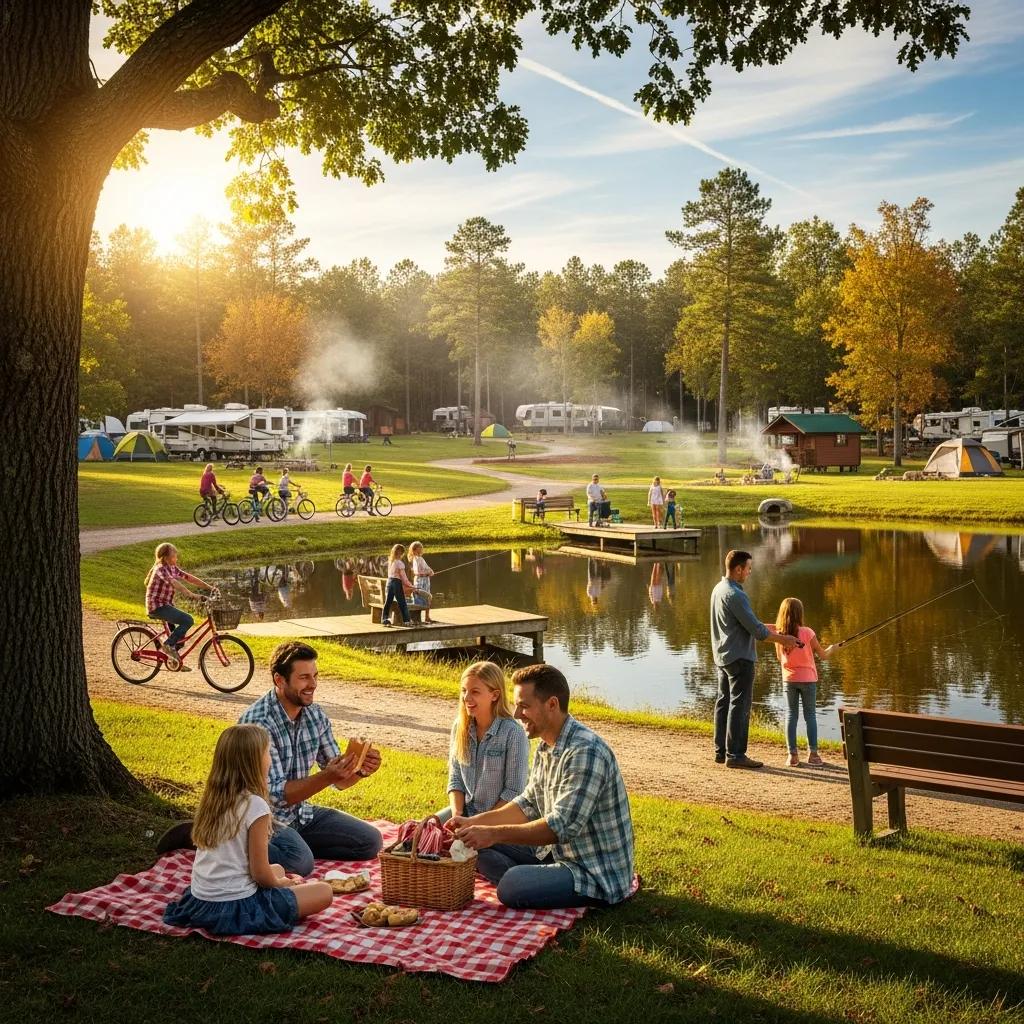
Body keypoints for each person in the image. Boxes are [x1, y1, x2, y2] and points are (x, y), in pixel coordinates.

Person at [449, 664, 634, 910]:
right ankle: (538, 878)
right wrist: (474, 824)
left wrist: (492, 833)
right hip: (555, 854)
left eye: (524, 706)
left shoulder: (585, 751)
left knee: (510, 886)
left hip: (592, 872)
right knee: (472, 845)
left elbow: (560, 828)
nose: (516, 714)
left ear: (552, 704)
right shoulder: (547, 745)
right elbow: (528, 804)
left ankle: (531, 878)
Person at [163, 724, 333, 935]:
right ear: (254, 762)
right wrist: (281, 884)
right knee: (324, 891)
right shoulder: (255, 805)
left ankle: (283, 881)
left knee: (279, 867)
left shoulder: (214, 799)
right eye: (267, 753)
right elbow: (261, 874)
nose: (270, 760)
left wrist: (279, 877)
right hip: (238, 907)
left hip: (201, 902)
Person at [239, 643, 384, 873]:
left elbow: (339, 780)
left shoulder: (315, 716)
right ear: (279, 680)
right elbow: (275, 797)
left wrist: (360, 770)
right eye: (304, 677)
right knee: (300, 863)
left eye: (315, 676)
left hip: (301, 814)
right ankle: (231, 843)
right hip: (261, 820)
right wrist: (327, 776)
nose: (313, 684)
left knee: (371, 841)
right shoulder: (258, 723)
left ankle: (293, 846)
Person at [710, 550, 799, 769]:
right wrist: (784, 639)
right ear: (738, 569)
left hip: (723, 655)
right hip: (740, 657)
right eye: (748, 568)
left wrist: (771, 629)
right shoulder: (736, 594)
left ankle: (721, 751)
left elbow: (747, 624)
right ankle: (736, 754)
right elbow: (758, 633)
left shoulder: (718, 589)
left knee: (724, 702)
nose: (750, 573)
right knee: (739, 705)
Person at [440, 662, 529, 824]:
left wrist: (477, 824)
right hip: (465, 814)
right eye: (464, 691)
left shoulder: (513, 733)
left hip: (501, 819)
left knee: (474, 849)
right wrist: (457, 816)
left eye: (475, 692)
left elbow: (514, 792)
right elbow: (455, 779)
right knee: (419, 834)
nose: (466, 698)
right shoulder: (460, 726)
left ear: (495, 695)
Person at [770, 598, 835, 767]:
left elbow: (779, 658)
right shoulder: (807, 632)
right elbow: (823, 655)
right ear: (800, 614)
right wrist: (834, 648)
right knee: (810, 716)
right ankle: (813, 755)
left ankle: (792, 756)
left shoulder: (779, 635)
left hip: (789, 680)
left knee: (791, 715)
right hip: (808, 680)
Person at [144, 542, 216, 669]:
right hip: (157, 606)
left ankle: (173, 661)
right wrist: (191, 594)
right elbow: (174, 582)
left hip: (166, 605)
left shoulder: (172, 567)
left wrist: (209, 587)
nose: (176, 558)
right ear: (166, 558)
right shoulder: (160, 568)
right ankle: (167, 646)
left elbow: (189, 578)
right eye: (174, 555)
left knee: (180, 641)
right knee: (188, 620)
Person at [381, 543, 413, 627]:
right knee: (402, 602)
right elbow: (404, 578)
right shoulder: (399, 563)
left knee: (388, 602)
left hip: (389, 582)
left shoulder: (390, 561)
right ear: (400, 553)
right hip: (396, 583)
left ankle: (384, 619)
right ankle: (407, 620)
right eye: (402, 553)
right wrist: (411, 585)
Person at [408, 540, 435, 624]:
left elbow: (427, 567)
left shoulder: (420, 558)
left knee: (427, 597)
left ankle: (427, 617)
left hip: (425, 580)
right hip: (421, 580)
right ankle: (419, 617)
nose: (422, 549)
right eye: (420, 547)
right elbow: (418, 571)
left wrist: (431, 571)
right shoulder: (416, 559)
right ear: (415, 550)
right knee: (422, 597)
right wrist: (427, 573)